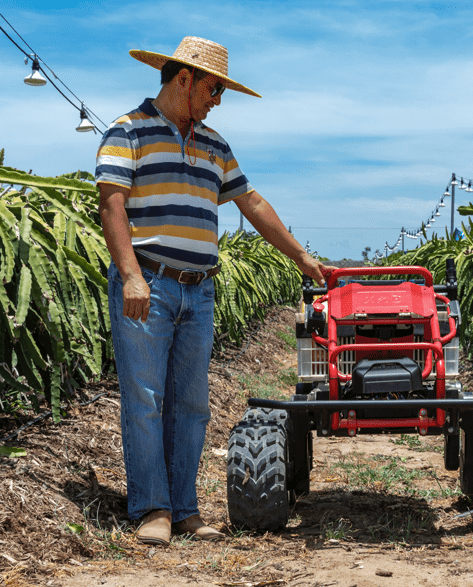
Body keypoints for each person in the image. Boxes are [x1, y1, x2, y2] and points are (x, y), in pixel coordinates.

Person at [95, 36, 329, 546]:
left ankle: (185, 510)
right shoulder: (127, 131)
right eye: (214, 88)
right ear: (184, 78)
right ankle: (152, 507)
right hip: (148, 284)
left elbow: (251, 201)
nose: (217, 99)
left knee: (192, 404)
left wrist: (301, 256)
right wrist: (131, 273)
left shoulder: (215, 143)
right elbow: (111, 203)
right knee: (145, 398)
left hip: (199, 291)